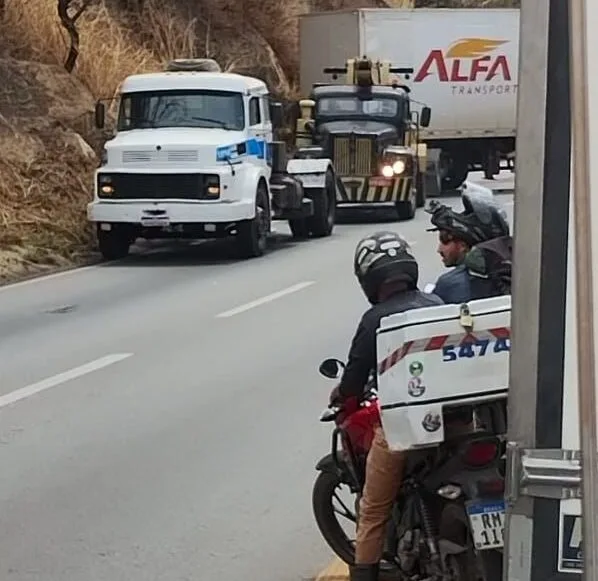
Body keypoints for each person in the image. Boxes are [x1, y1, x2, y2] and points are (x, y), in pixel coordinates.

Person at [328, 231, 444, 581]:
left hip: (401, 430)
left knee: (373, 508)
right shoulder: (437, 303)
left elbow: (352, 380)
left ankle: (364, 574)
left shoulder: (373, 320)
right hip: (458, 421)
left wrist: (341, 397)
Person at [426, 191, 511, 304]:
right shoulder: (518, 270)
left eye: (445, 240)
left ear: (463, 246)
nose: (439, 249)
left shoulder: (449, 284)